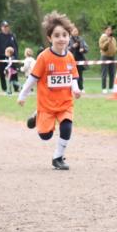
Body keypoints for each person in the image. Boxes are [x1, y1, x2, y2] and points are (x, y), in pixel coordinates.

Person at [18, 11, 83, 170]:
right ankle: (37, 114)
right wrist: (23, 95)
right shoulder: (43, 57)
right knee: (45, 135)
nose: (61, 38)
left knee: (67, 126)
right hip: (46, 104)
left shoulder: (70, 57)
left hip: (65, 103)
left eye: (64, 35)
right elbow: (32, 78)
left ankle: (58, 157)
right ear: (50, 38)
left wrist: (76, 89)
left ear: (69, 37)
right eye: (57, 35)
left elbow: (73, 76)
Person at [69, 26, 89, 92]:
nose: (76, 32)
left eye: (76, 31)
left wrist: (83, 49)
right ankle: (72, 88)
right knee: (71, 75)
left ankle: (81, 88)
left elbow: (87, 48)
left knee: (80, 74)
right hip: (71, 59)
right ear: (71, 32)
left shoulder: (81, 39)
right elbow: (65, 49)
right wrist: (72, 47)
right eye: (74, 31)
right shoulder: (68, 39)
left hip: (80, 59)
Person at [98, 25, 117, 93]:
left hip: (112, 56)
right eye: (108, 30)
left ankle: (111, 87)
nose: (109, 31)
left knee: (112, 73)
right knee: (104, 73)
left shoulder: (113, 38)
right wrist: (107, 42)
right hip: (105, 56)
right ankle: (104, 88)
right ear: (105, 31)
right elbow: (102, 47)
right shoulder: (102, 38)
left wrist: (115, 49)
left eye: (110, 30)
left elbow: (115, 46)